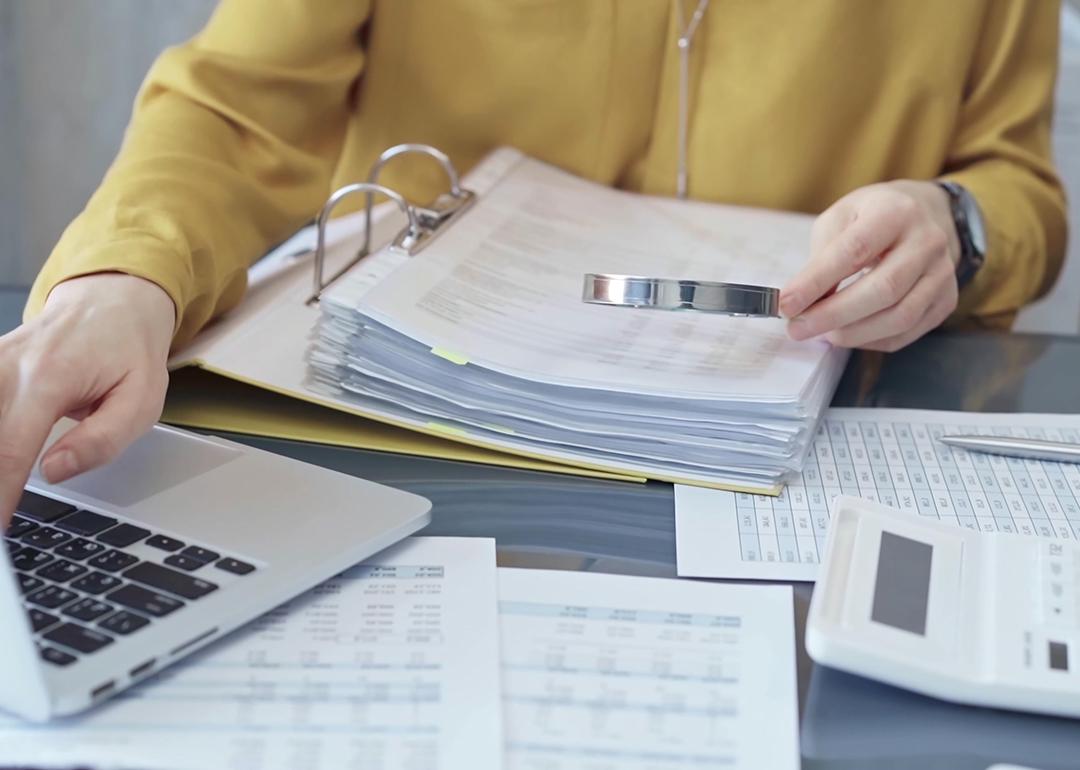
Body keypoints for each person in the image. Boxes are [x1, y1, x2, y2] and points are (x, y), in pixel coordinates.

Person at [0, 0, 1066, 525]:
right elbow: (233, 109)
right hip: (411, 439)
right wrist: (121, 279)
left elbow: (1016, 182)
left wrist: (955, 222)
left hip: (796, 467)